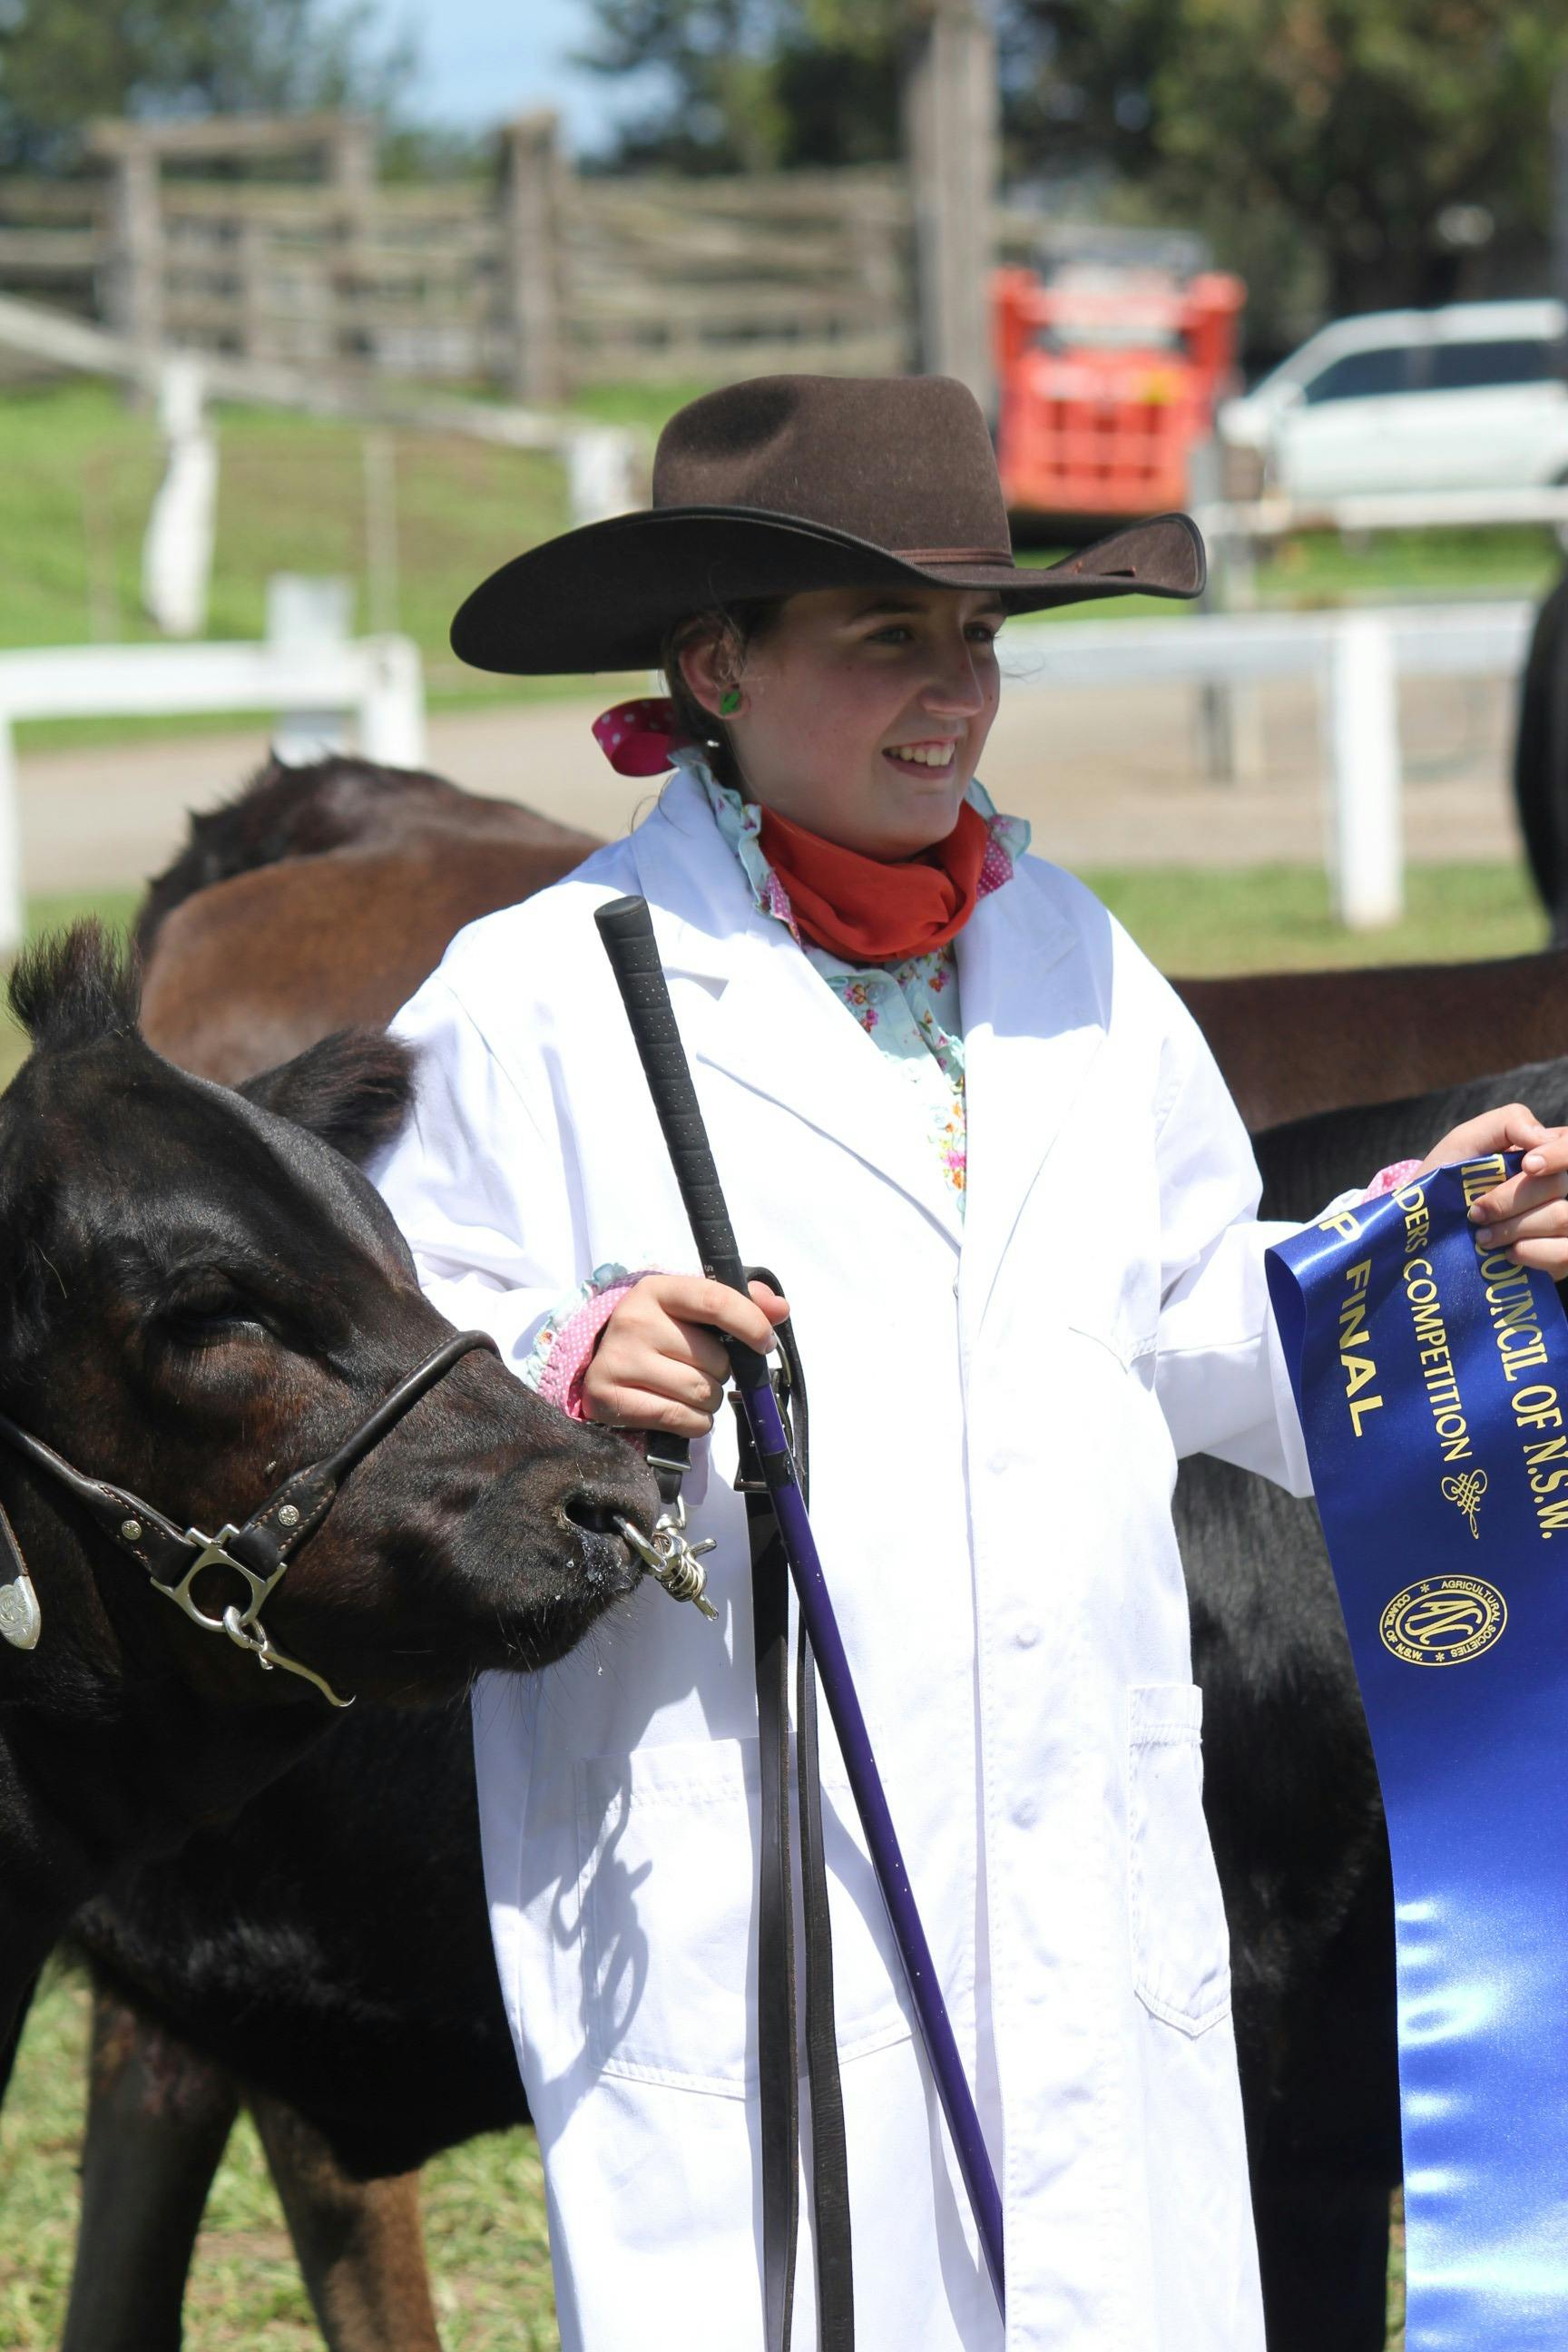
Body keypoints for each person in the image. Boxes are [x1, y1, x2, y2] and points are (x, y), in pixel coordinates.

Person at [372, 374, 1568, 2351]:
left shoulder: (1076, 961)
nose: (956, 694)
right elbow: (385, 1395)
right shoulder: (534, 1001)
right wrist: (567, 1364)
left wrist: (1438, 1258)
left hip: (1085, 1880)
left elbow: (1191, 1324)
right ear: (716, 665)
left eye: (981, 636)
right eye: (888, 637)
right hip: (752, 1889)